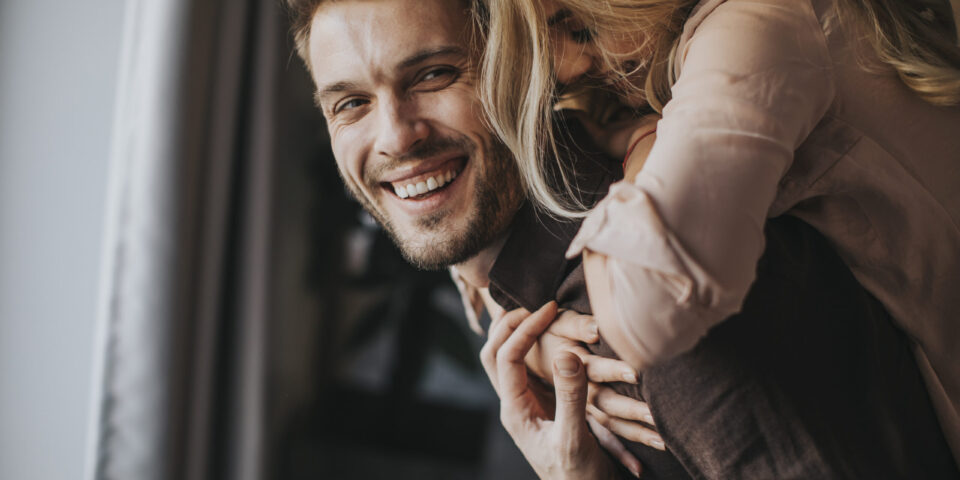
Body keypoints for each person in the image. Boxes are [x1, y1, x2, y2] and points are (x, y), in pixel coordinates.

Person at [285, 0, 959, 477]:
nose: (396, 135)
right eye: (350, 103)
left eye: (433, 74)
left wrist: (643, 145)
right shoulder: (536, 285)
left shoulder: (665, 285)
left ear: (513, 72)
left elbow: (646, 311)